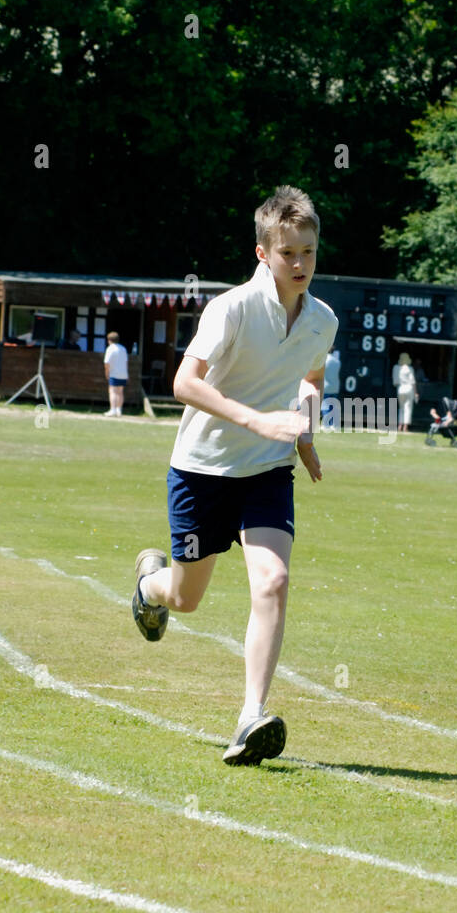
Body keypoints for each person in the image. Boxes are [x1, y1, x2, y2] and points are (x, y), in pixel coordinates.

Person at [130, 185, 338, 768]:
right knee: (186, 598)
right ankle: (150, 586)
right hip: (202, 470)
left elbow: (310, 378)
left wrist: (302, 433)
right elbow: (184, 384)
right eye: (288, 253)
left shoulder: (323, 321)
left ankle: (251, 716)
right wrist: (255, 419)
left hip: (267, 473)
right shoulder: (231, 309)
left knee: (272, 582)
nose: (300, 264)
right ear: (262, 253)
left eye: (309, 252)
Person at [103, 332, 129, 416]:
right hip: (123, 373)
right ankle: (119, 410)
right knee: (120, 392)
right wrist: (127, 374)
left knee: (113, 391)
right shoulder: (123, 348)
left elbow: (106, 362)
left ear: (109, 340)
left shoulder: (110, 349)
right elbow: (126, 362)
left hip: (114, 373)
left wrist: (107, 372)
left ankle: (113, 409)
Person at [393, 352, 419, 432]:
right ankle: (405, 427)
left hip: (400, 389)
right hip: (409, 389)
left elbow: (395, 382)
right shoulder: (409, 368)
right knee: (408, 408)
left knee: (401, 408)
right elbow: (413, 381)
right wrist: (416, 392)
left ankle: (399, 426)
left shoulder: (396, 367)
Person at [321, 347, 340, 428]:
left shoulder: (324, 360)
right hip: (335, 387)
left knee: (325, 406)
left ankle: (327, 424)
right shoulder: (337, 361)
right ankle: (334, 425)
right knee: (333, 406)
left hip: (326, 386)